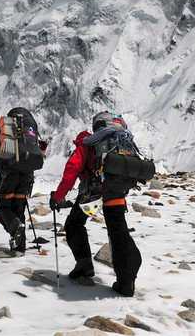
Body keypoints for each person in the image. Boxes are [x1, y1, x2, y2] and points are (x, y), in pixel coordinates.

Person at [49, 111, 142, 297]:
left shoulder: (88, 143)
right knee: (118, 231)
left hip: (93, 194)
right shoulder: (121, 140)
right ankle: (126, 280)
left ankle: (84, 265)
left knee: (74, 224)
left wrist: (58, 197)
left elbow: (72, 170)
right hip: (116, 192)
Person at [0, 107, 47, 253]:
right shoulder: (30, 136)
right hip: (27, 177)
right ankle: (20, 247)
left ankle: (15, 228)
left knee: (3, 206)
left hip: (9, 176)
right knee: (19, 210)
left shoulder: (2, 136)